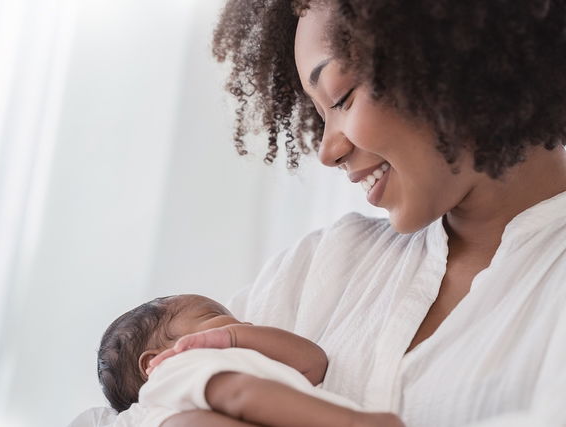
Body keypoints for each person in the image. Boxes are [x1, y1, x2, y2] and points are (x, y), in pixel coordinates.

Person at [161, 0, 566, 426]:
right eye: (319, 116)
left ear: (455, 57)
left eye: (341, 97)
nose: (328, 151)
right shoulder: (320, 265)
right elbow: (130, 406)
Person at [95, 294, 400, 426]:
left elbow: (314, 362)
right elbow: (240, 394)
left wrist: (234, 337)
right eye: (215, 316)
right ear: (155, 361)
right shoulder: (174, 368)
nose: (242, 324)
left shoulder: (251, 362)